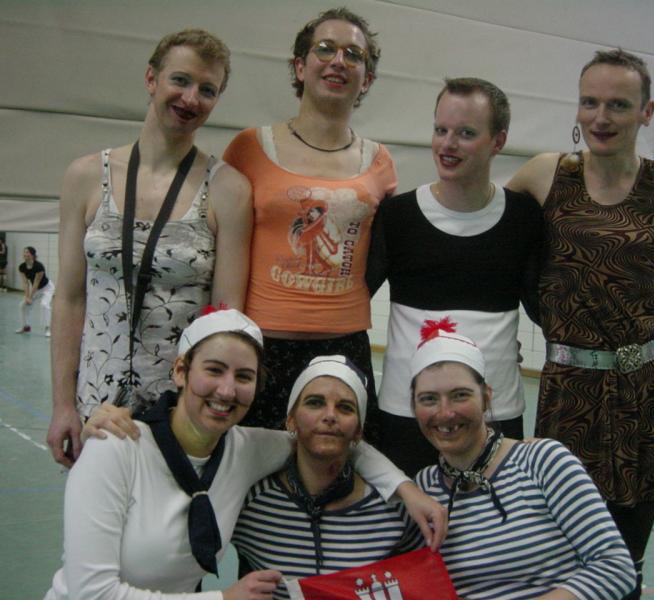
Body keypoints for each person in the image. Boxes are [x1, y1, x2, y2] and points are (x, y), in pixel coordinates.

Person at [45, 309, 447, 600]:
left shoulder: (247, 449)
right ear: (181, 371)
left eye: (243, 377)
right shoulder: (115, 446)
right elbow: (91, 593)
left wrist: (405, 490)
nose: (226, 390)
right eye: (214, 370)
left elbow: (328, 439)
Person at [507, 48, 654, 598]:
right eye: (590, 102)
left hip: (650, 391)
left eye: (618, 105)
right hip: (569, 391)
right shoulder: (544, 175)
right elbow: (488, 242)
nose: (601, 117)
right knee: (564, 555)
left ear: (647, 112)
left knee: (627, 559)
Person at [47, 29, 253, 468]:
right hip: (95, 408)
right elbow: (69, 298)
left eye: (208, 90)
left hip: (181, 412)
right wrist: (63, 404)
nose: (191, 98)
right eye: (180, 80)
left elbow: (226, 316)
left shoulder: (229, 190)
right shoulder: (85, 176)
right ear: (151, 79)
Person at [223, 8, 396, 440]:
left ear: (367, 80)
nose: (339, 61)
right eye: (325, 49)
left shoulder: (380, 161)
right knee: (254, 465)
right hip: (262, 345)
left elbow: (381, 256)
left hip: (344, 346)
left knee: (340, 466)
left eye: (353, 55)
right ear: (300, 67)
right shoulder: (248, 148)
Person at [367, 77, 543, 476]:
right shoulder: (397, 216)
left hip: (495, 414)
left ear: (498, 141)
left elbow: (544, 310)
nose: (447, 144)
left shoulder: (523, 217)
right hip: (406, 412)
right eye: (440, 130)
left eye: (465, 133)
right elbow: (350, 302)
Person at [410, 324, 636, 599]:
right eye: (429, 399)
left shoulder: (543, 462)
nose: (445, 413)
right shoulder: (421, 490)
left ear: (486, 397)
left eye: (460, 395)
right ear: (413, 408)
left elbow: (616, 567)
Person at [233, 356, 423, 599]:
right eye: (315, 403)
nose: (330, 415)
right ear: (291, 420)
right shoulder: (251, 503)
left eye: (345, 407)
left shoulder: (394, 509)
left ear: (358, 431)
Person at [16, 246, 55, 336]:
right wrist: (27, 297)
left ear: (32, 255)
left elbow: (36, 283)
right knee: (23, 305)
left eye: (27, 252)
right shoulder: (22, 267)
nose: (25, 254)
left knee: (44, 305)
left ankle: (48, 329)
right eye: (24, 252)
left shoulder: (39, 266)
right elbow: (25, 283)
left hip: (47, 288)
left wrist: (30, 297)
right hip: (37, 289)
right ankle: (26, 327)